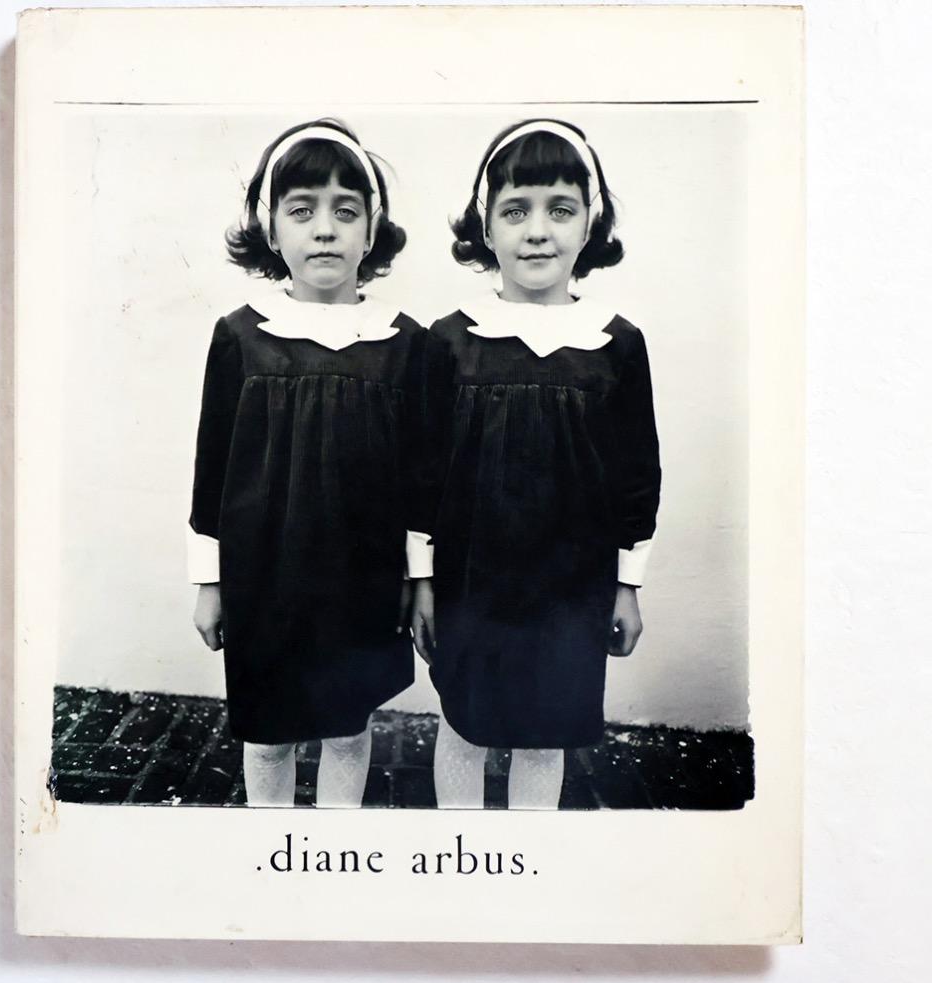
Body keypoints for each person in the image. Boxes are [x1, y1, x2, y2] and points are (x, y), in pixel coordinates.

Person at [411, 119, 661, 809]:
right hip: (471, 581)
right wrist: (421, 579)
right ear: (485, 226)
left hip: (570, 586)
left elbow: (637, 476)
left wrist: (627, 585)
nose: (538, 232)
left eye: (561, 209)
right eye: (516, 211)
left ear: (590, 223)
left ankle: (529, 851)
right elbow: (421, 475)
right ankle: (462, 848)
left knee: (544, 733)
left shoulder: (615, 345)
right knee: (464, 724)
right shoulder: (451, 341)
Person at [189, 120, 432, 808]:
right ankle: (272, 841)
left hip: (362, 578)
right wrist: (209, 580)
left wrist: (420, 578)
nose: (325, 229)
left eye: (345, 211)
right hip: (265, 573)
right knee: (269, 733)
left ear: (371, 229)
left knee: (347, 727)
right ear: (271, 229)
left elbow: (423, 478)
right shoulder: (241, 336)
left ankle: (334, 840)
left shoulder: (403, 343)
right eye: (302, 210)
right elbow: (212, 470)